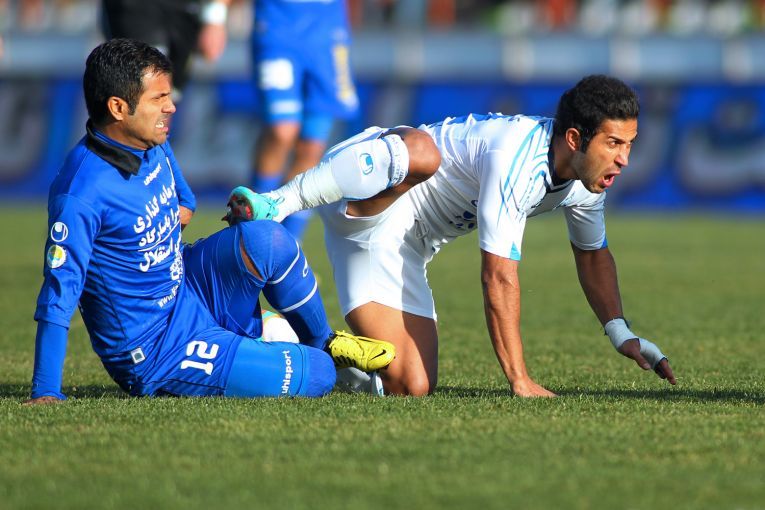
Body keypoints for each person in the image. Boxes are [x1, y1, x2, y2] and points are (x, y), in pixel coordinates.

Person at [223, 74, 678, 397]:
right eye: (613, 144)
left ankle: (282, 337)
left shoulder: (585, 185)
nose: (624, 159)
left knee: (412, 385)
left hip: (400, 246)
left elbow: (592, 255)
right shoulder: (516, 156)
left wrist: (620, 333)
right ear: (575, 139)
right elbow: (498, 276)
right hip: (372, 187)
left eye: (629, 145)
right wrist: (519, 378)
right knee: (424, 153)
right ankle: (275, 203)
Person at [25, 38, 394, 405]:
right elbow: (59, 293)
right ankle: (270, 340)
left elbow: (185, 203)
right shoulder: (80, 194)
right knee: (320, 374)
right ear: (118, 107)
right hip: (157, 349)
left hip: (188, 288)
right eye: (159, 98)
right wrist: (45, 391)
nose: (171, 107)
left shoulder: (151, 140)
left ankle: (320, 340)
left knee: (267, 239)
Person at [249, 0, 359, 240]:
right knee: (281, 132)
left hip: (327, 35)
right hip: (279, 29)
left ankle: (289, 242)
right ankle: (253, 228)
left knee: (312, 146)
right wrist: (215, 16)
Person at [100, 0, 230, 99]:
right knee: (146, 85)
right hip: (136, 6)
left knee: (168, 96)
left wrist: (215, 17)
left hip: (186, 9)